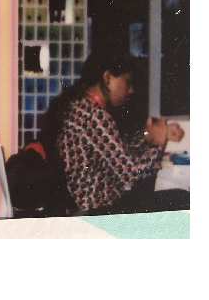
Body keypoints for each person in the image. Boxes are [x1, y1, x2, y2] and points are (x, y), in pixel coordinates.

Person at [43, 47, 186, 214]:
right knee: (181, 199)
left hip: (95, 205)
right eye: (127, 81)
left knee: (177, 197)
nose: (131, 90)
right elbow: (131, 173)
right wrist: (157, 145)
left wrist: (149, 134)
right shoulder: (94, 115)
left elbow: (117, 151)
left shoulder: (84, 107)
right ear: (107, 78)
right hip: (98, 210)